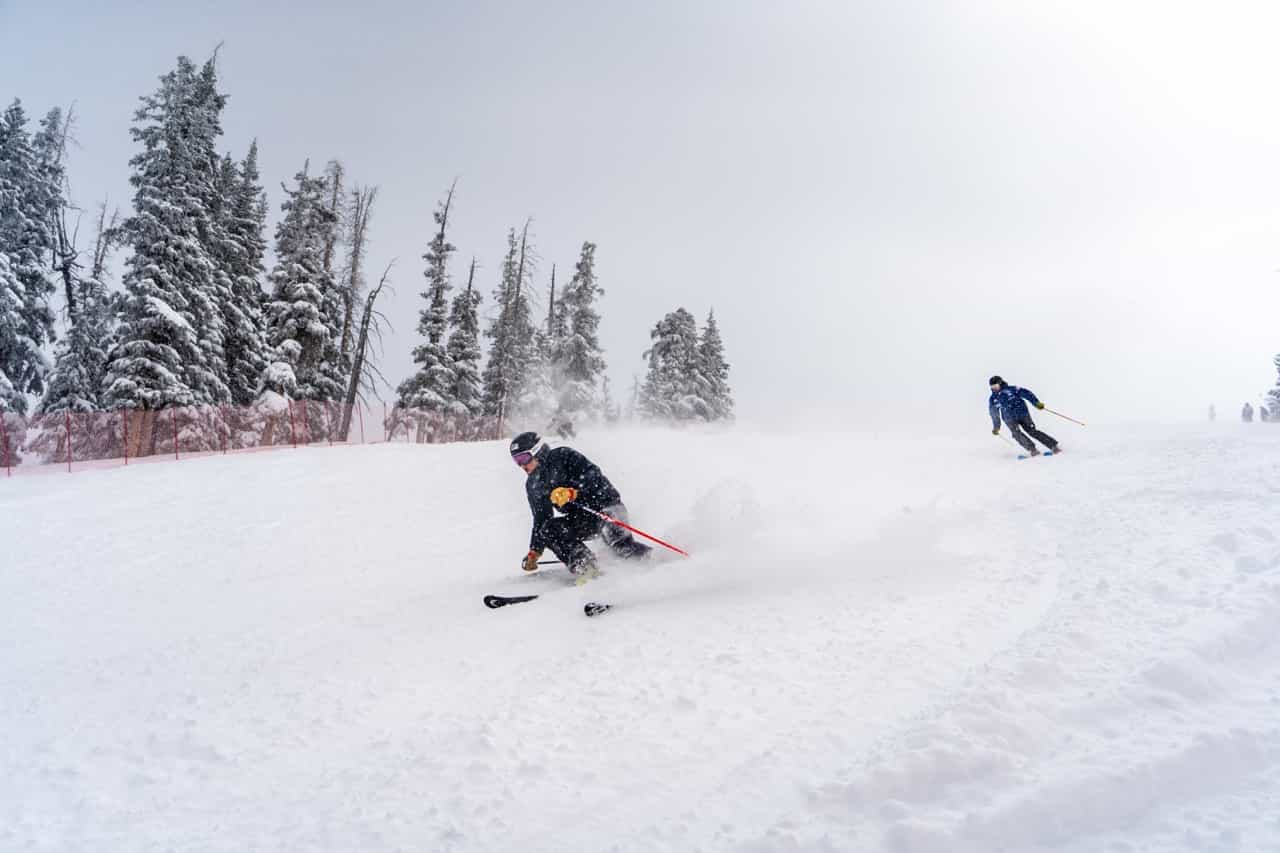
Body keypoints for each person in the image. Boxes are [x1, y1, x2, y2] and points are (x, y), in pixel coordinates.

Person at [509, 431, 650, 579]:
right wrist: (535, 550)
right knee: (549, 529)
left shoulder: (563, 456)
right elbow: (541, 517)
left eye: (523, 458)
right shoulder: (533, 484)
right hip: (583, 519)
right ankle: (586, 567)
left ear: (537, 451)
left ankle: (655, 561)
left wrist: (573, 492)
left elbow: (593, 476)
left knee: (620, 547)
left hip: (605, 508)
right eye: (517, 461)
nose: (522, 465)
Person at [988, 375, 1060, 456]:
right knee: (1016, 434)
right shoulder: (993, 398)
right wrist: (996, 427)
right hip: (1009, 418)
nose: (994, 388)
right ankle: (1033, 450)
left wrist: (1036, 403)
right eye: (992, 386)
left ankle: (1053, 446)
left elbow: (1027, 393)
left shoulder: (1012, 389)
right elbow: (994, 414)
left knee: (1032, 431)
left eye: (996, 386)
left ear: (1000, 384)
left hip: (1022, 413)